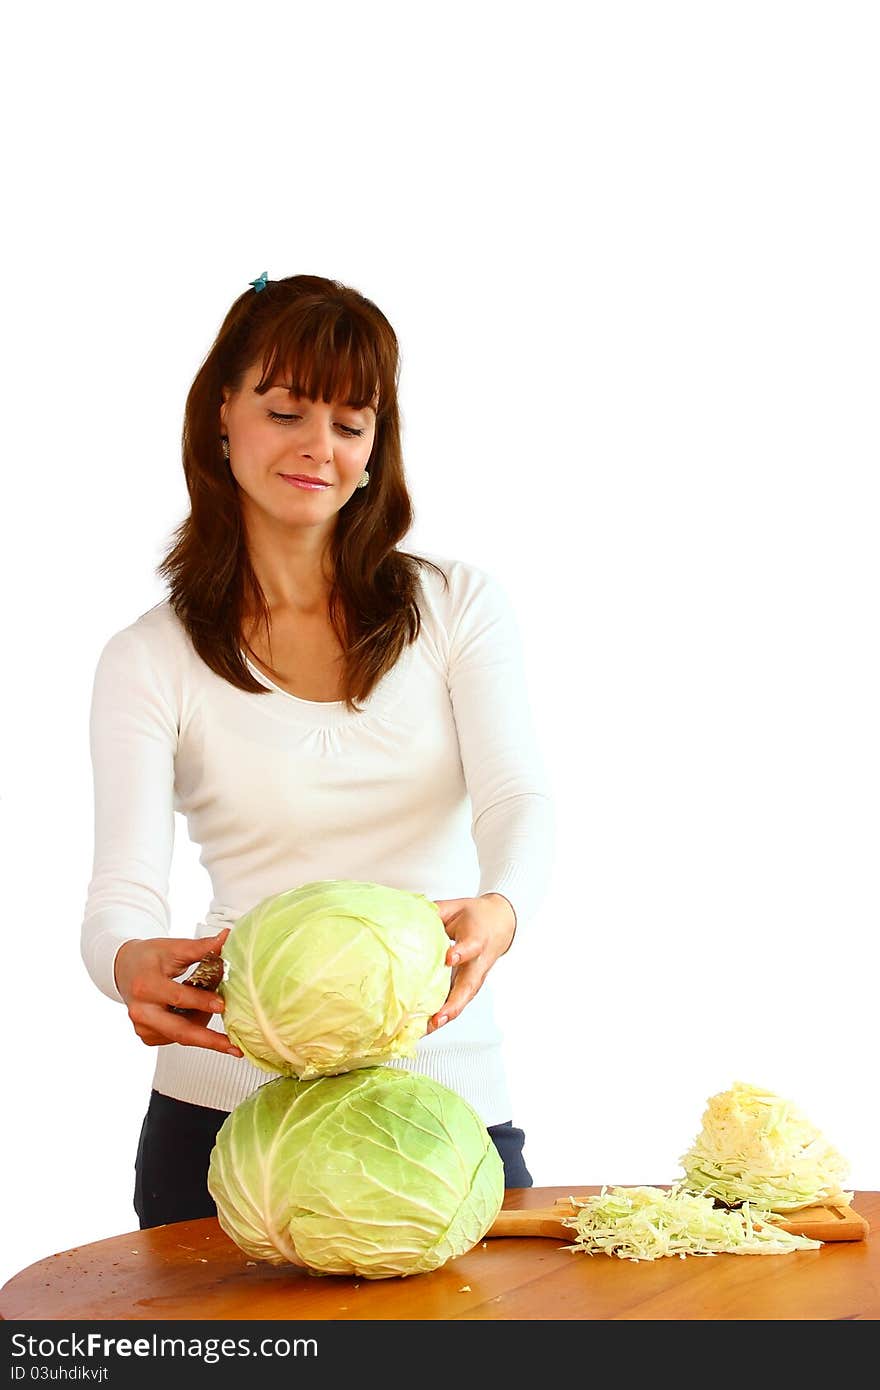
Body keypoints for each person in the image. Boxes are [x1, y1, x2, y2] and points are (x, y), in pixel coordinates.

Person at [81, 271, 555, 1229]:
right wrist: (126, 961)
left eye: (351, 422)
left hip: (441, 1109)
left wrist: (501, 910)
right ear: (224, 415)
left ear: (379, 446)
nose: (318, 448)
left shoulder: (455, 607)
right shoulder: (150, 658)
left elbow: (518, 798)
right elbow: (121, 891)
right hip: (226, 1119)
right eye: (287, 409)